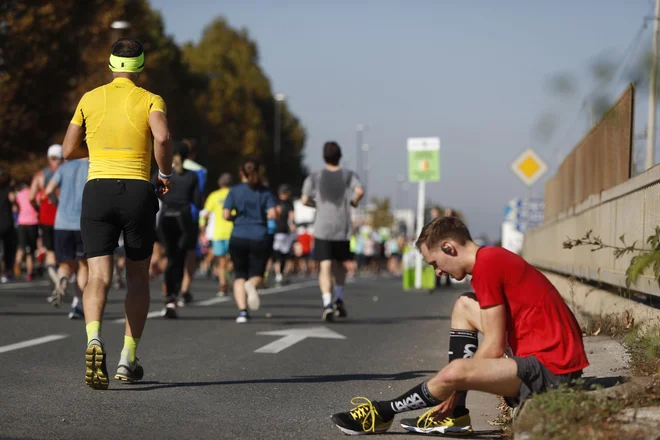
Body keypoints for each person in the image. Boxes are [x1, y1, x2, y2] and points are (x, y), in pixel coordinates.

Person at [330, 216, 589, 435]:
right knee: (464, 305)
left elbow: (495, 345)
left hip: (553, 370)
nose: (438, 272)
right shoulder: (489, 259)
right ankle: (457, 414)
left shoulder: (487, 266)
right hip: (546, 357)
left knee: (455, 373)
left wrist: (457, 384)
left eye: (434, 264)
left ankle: (382, 412)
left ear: (448, 248)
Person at [61, 38, 173, 389]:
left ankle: (94, 338)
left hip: (97, 189)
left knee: (98, 276)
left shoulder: (89, 98)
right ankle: (128, 358)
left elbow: (66, 150)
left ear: (111, 65)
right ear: (140, 66)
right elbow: (163, 137)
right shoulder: (150, 99)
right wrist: (165, 174)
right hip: (138, 189)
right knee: (137, 277)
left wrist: (95, 149)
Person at [301, 142, 364, 321]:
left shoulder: (315, 177)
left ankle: (327, 302)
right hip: (342, 227)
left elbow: (304, 199)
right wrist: (353, 202)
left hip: (322, 228)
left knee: (325, 265)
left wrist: (317, 205)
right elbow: (360, 190)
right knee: (339, 265)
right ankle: (339, 297)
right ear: (340, 156)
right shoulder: (348, 175)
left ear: (323, 157)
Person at [223, 159, 277, 324]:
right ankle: (251, 285)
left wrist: (235, 216)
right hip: (259, 236)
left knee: (239, 274)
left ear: (241, 173)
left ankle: (242, 312)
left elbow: (225, 215)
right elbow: (273, 214)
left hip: (238, 235)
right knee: (258, 275)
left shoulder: (234, 191)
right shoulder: (265, 192)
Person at [154, 142, 202, 318]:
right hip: (183, 220)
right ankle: (174, 295)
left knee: (170, 257)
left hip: (166, 218)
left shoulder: (164, 175)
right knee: (180, 259)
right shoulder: (191, 176)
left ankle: (168, 296)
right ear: (187, 156)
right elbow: (198, 201)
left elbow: (155, 192)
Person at [44, 158, 89, 318]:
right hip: (84, 223)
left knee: (65, 265)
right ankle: (77, 303)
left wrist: (58, 204)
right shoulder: (92, 166)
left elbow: (48, 190)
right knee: (83, 266)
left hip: (62, 222)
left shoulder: (64, 168)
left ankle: (62, 280)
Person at [29, 144, 62, 286]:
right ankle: (61, 277)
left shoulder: (40, 175)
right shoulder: (66, 172)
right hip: (63, 217)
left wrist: (37, 208)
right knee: (61, 249)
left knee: (49, 251)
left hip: (46, 216)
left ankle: (54, 280)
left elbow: (31, 197)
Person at [180, 139, 207, 303]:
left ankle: (170, 288)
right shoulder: (200, 170)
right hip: (190, 215)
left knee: (171, 253)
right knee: (190, 253)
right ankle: (185, 289)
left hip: (168, 213)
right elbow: (199, 195)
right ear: (194, 154)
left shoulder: (167, 165)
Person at [202, 173, 234, 297]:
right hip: (233, 232)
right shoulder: (235, 194)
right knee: (232, 259)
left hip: (218, 233)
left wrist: (202, 227)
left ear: (219, 183)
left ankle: (223, 286)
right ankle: (228, 273)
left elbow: (205, 214)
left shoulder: (214, 196)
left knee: (221, 262)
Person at [14, 182, 39, 281]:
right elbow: (37, 204)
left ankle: (17, 265)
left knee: (21, 247)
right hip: (33, 222)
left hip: (22, 222)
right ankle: (29, 272)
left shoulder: (19, 194)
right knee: (30, 250)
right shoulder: (35, 193)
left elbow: (16, 207)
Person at [272, 184, 296, 286]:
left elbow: (291, 217)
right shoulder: (277, 202)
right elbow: (274, 215)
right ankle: (279, 274)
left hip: (285, 231)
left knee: (284, 255)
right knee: (278, 255)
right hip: (277, 231)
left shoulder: (289, 204)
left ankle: (283, 273)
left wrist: (292, 224)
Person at [0, 168, 16, 283]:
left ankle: (5, 271)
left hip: (6, 221)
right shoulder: (8, 188)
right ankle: (7, 271)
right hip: (6, 222)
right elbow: (13, 200)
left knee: (4, 249)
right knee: (7, 248)